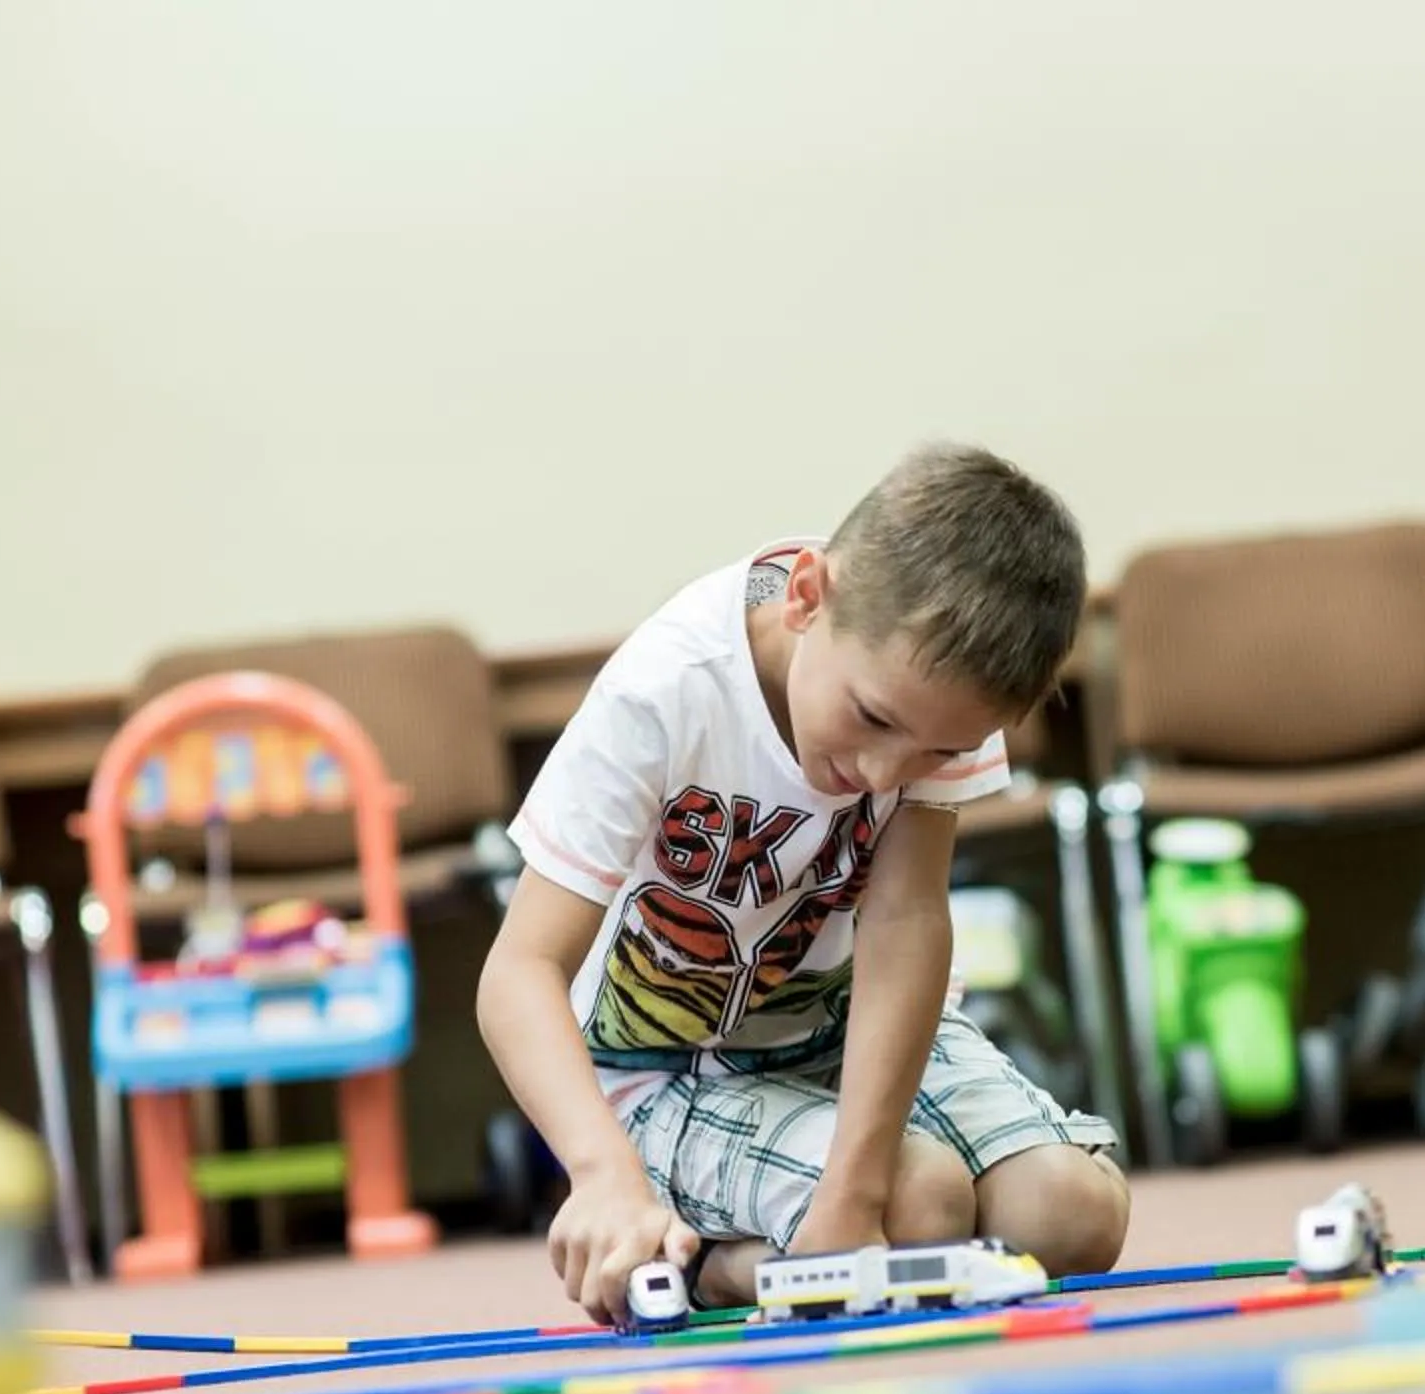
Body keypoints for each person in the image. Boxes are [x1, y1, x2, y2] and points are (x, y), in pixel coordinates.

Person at [479, 443, 1130, 1322]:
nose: (882, 769)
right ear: (806, 597)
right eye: (873, 719)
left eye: (936, 752)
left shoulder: (937, 693)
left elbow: (904, 920)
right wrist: (602, 1176)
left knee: (1070, 1214)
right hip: (668, 1070)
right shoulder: (664, 691)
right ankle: (715, 1266)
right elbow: (518, 972)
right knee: (926, 1207)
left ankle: (791, 1240)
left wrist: (852, 1191)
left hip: (838, 1028)